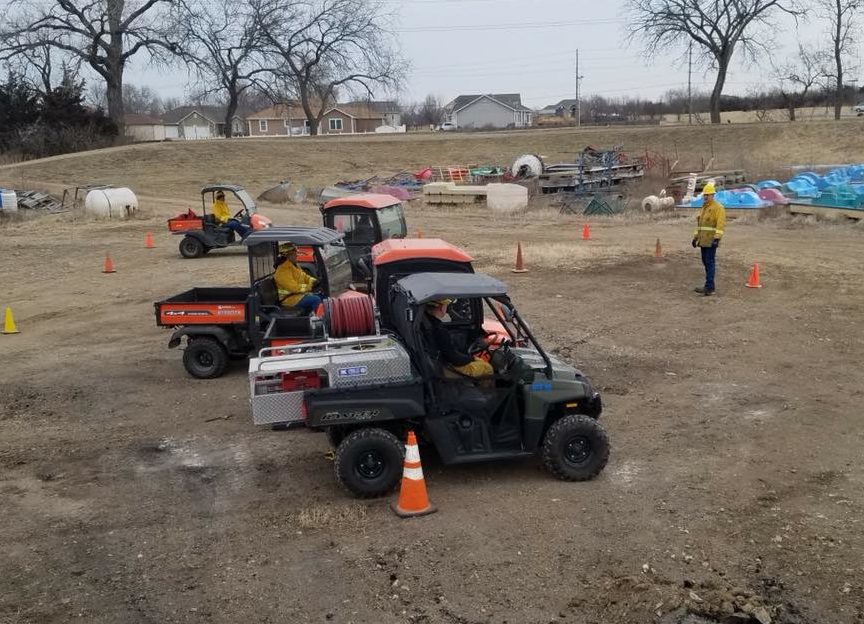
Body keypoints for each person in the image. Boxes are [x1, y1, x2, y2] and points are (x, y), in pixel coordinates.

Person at [425, 299, 494, 378]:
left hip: (440, 362)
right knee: (488, 368)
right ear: (441, 307)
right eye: (446, 306)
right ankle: (486, 389)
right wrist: (471, 358)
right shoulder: (439, 330)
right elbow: (454, 358)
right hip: (447, 366)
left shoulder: (428, 323)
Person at [691, 181, 726, 296]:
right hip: (703, 241)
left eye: (708, 195)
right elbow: (700, 225)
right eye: (704, 195)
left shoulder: (718, 208)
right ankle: (710, 286)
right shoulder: (704, 208)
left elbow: (720, 225)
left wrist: (717, 238)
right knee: (705, 262)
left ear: (712, 195)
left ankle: (709, 287)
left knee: (709, 263)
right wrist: (695, 237)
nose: (705, 197)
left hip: (711, 241)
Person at [273, 243, 321, 313]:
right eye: (294, 254)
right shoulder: (282, 271)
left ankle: (314, 315)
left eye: (295, 253)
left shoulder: (294, 265)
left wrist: (314, 281)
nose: (296, 255)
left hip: (298, 295)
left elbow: (304, 276)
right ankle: (318, 320)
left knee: (321, 295)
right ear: (287, 256)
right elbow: (294, 288)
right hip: (289, 300)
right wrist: (310, 286)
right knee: (316, 299)